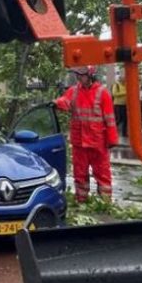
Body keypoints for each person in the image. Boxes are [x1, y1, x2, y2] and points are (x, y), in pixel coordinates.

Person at [53, 66, 118, 203]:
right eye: (77, 74)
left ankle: (105, 202)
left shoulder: (102, 93)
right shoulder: (74, 91)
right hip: (79, 142)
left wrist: (112, 140)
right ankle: (81, 200)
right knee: (80, 174)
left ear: (90, 76)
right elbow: (66, 102)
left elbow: (110, 119)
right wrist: (57, 103)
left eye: (81, 75)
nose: (78, 77)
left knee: (103, 174)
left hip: (97, 142)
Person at [111, 71, 128, 138]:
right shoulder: (116, 85)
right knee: (118, 119)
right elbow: (114, 94)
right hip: (118, 105)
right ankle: (112, 131)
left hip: (125, 104)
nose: (124, 80)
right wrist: (125, 93)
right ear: (120, 79)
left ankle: (124, 133)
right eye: (123, 79)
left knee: (125, 119)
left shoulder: (126, 85)